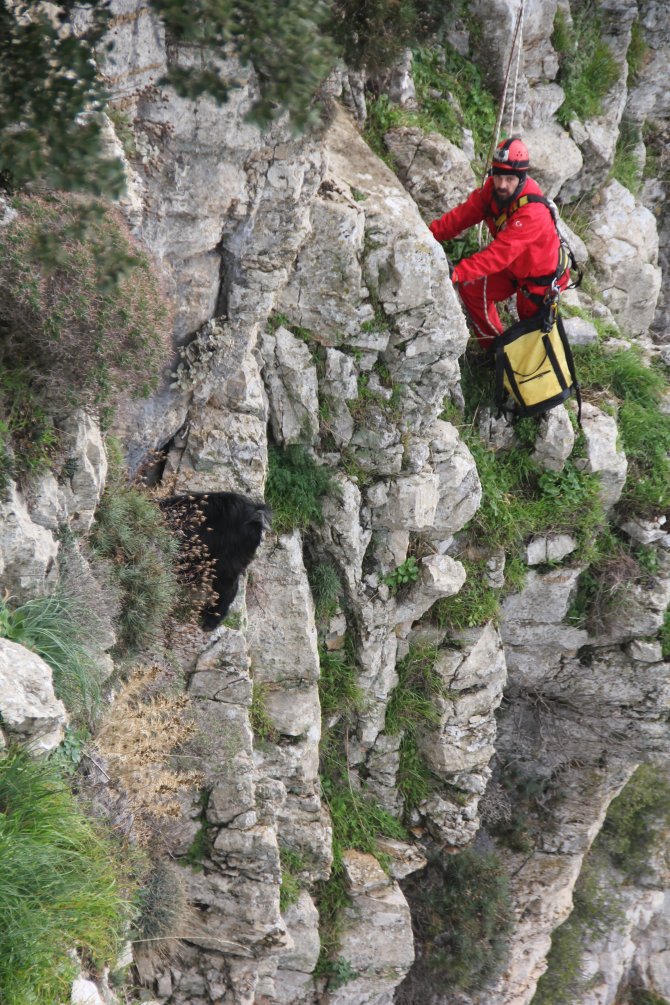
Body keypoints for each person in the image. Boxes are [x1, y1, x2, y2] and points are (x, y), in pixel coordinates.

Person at [429, 137, 570, 349]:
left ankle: (519, 372)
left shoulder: (533, 213)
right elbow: (463, 215)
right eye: (498, 177)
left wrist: (458, 272)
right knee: (472, 289)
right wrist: (429, 235)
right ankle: (496, 352)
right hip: (514, 268)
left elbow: (499, 254)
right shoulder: (492, 191)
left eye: (509, 179)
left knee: (531, 338)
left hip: (540, 282)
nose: (502, 185)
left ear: (521, 178)